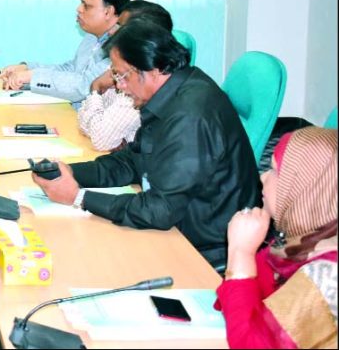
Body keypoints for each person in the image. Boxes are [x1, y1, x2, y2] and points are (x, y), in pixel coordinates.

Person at [32, 20, 259, 267]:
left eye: (122, 75)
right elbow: (132, 161)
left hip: (200, 248)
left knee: (85, 260)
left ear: (153, 69)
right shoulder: (172, 93)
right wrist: (70, 172)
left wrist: (78, 197)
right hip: (175, 224)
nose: (119, 86)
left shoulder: (189, 116)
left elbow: (159, 210)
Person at [216, 127, 337, 349]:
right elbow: (230, 305)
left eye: (274, 170)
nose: (263, 177)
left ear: (306, 188)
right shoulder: (297, 241)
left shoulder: (330, 276)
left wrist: (241, 254)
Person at [0, 0, 130, 108]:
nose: (79, 9)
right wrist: (27, 69)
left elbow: (85, 86)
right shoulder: (91, 37)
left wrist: (32, 76)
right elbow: (71, 70)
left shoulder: (121, 46)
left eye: (87, 6)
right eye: (81, 3)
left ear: (108, 12)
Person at [78, 0, 174, 151]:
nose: (110, 31)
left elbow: (101, 140)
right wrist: (98, 122)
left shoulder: (140, 80)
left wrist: (95, 89)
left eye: (120, 27)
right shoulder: (124, 69)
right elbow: (83, 119)